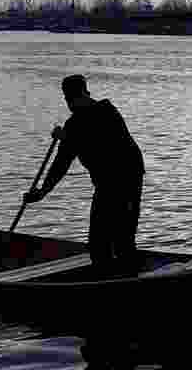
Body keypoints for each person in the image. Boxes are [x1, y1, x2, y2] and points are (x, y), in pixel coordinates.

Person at [23, 74, 145, 271]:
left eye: (70, 98)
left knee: (106, 240)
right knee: (116, 237)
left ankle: (115, 276)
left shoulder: (101, 113)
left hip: (121, 179)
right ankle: (122, 272)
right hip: (121, 179)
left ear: (76, 96)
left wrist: (66, 138)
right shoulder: (93, 116)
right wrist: (43, 191)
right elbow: (64, 160)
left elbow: (95, 143)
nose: (69, 103)